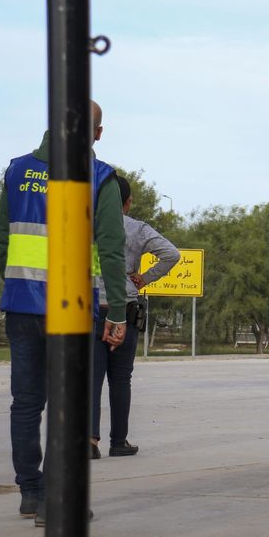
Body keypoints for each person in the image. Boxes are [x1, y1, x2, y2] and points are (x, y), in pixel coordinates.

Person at [0, 101, 127, 525]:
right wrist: (118, 311)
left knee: (26, 402)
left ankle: (31, 492)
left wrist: (21, 283)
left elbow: (0, 239)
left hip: (21, 307)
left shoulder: (16, 171)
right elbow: (110, 249)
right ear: (97, 133)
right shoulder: (100, 177)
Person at [91, 175, 180, 459]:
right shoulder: (138, 229)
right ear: (127, 203)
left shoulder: (86, 225)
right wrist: (144, 278)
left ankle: (90, 441)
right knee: (121, 378)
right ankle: (119, 441)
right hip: (124, 311)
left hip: (90, 309)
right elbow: (171, 254)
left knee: (92, 378)